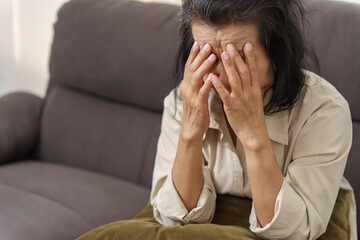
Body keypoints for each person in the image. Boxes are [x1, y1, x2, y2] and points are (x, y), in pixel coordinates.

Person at [150, 0, 357, 239]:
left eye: (235, 59)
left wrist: (254, 137)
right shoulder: (182, 100)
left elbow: (294, 231)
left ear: (277, 53)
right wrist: (190, 134)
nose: (221, 78)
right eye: (207, 56)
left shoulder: (324, 110)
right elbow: (172, 219)